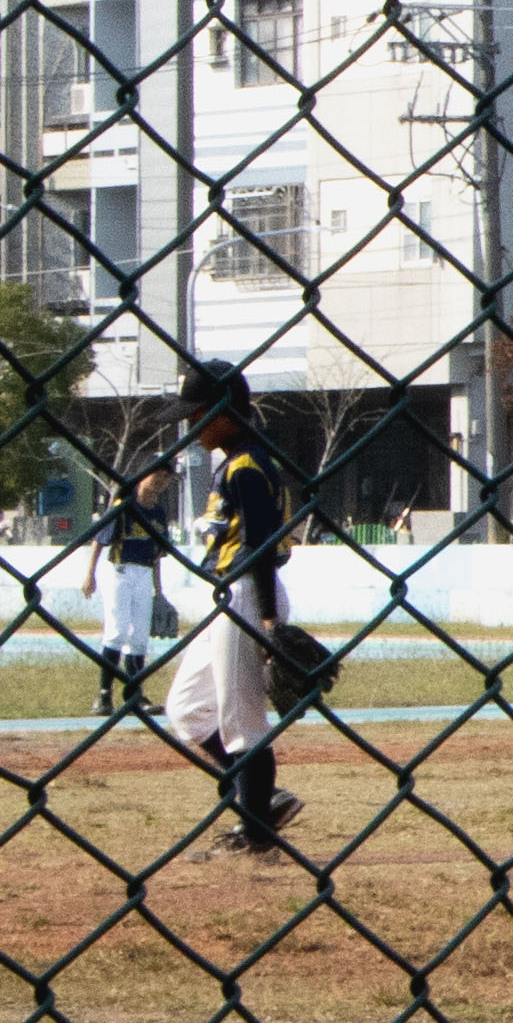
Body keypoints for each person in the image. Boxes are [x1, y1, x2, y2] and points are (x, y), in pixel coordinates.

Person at [148, 360, 305, 859]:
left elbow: (260, 543)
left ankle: (257, 832)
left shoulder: (247, 466)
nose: (189, 425)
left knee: (243, 720)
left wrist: (266, 621)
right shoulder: (234, 461)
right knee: (187, 709)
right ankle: (264, 800)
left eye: (196, 414)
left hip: (247, 595)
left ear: (223, 412)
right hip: (229, 596)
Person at [90, 456, 171, 721]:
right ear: (144, 475)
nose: (161, 482)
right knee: (116, 631)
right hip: (120, 570)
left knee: (138, 636)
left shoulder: (158, 513)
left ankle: (135, 693)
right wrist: (88, 575)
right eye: (157, 475)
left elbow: (157, 556)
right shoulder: (124, 505)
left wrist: (159, 592)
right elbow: (99, 541)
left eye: (166, 478)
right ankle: (104, 694)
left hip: (144, 573)